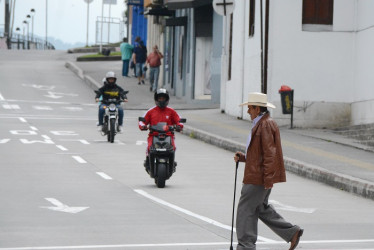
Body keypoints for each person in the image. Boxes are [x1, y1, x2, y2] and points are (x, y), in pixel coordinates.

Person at [233, 92, 303, 250]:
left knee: (245, 210)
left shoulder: (265, 124)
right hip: (259, 175)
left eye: (250, 108)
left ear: (257, 109)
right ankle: (292, 233)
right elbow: (261, 153)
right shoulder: (262, 122)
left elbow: (270, 154)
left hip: (257, 178)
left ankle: (245, 246)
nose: (248, 111)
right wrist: (245, 157)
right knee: (261, 208)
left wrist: (268, 180)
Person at [138, 88, 184, 171]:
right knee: (149, 148)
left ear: (167, 99)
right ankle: (148, 162)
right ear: (156, 99)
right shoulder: (151, 111)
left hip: (168, 135)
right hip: (154, 135)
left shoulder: (171, 111)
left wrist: (179, 126)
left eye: (163, 98)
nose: (161, 100)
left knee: (173, 147)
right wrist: (143, 126)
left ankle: (172, 162)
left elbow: (179, 120)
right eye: (159, 98)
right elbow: (142, 121)